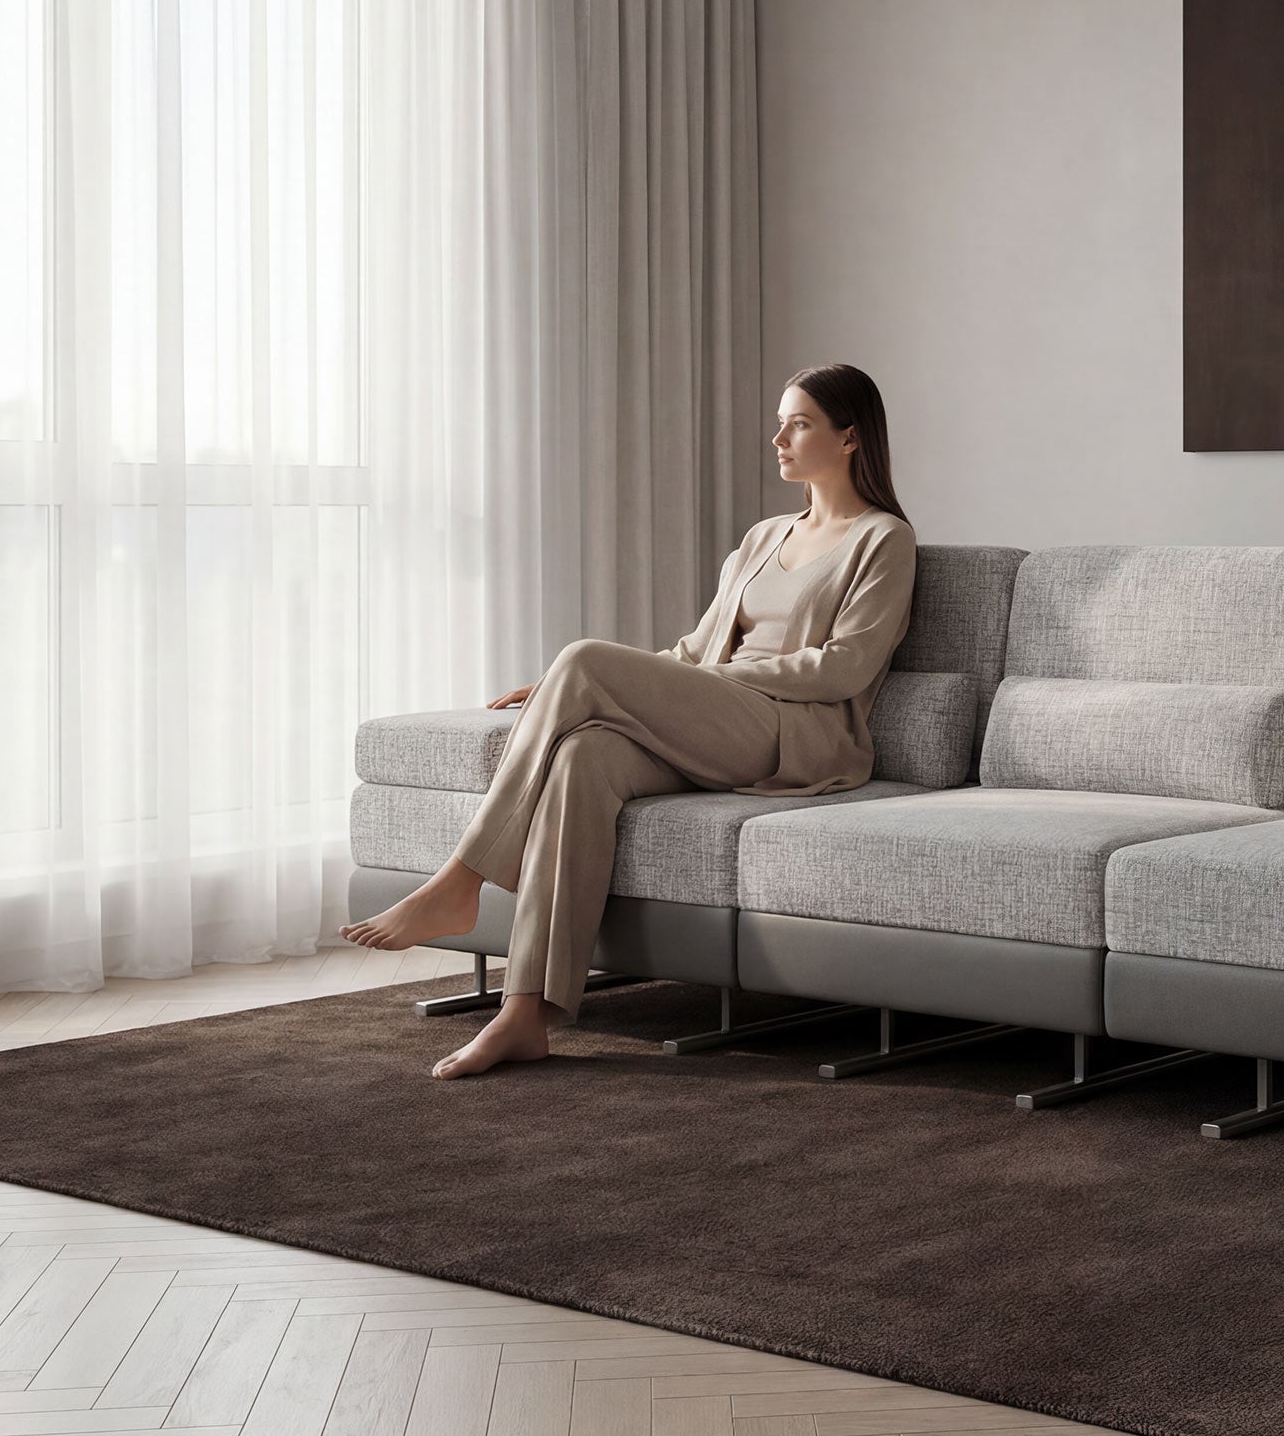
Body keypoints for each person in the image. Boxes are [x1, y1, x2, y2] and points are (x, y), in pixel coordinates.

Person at [339, 364, 917, 1079]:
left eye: (798, 423)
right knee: (584, 754)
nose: (778, 438)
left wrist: (654, 678)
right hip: (721, 715)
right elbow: (694, 649)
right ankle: (525, 1014)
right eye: (781, 421)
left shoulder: (883, 540)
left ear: (850, 436)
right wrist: (565, 690)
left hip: (794, 734)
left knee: (583, 657)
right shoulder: (765, 535)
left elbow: (844, 668)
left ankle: (460, 879)